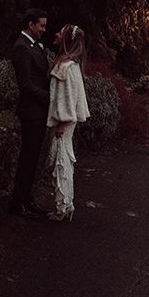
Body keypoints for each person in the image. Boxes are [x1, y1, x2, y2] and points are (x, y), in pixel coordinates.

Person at [46, 24, 90, 221]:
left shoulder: (66, 67)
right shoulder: (71, 65)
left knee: (61, 162)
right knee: (63, 161)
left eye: (60, 33)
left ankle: (62, 208)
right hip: (65, 121)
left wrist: (62, 123)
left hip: (63, 122)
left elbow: (66, 98)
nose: (56, 34)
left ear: (66, 40)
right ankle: (65, 204)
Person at [10, 8, 51, 218]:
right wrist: (50, 98)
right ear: (31, 25)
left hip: (38, 111)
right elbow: (25, 86)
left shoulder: (34, 46)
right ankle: (19, 203)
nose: (44, 29)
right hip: (31, 112)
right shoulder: (21, 48)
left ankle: (26, 199)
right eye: (41, 25)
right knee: (28, 158)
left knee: (33, 158)